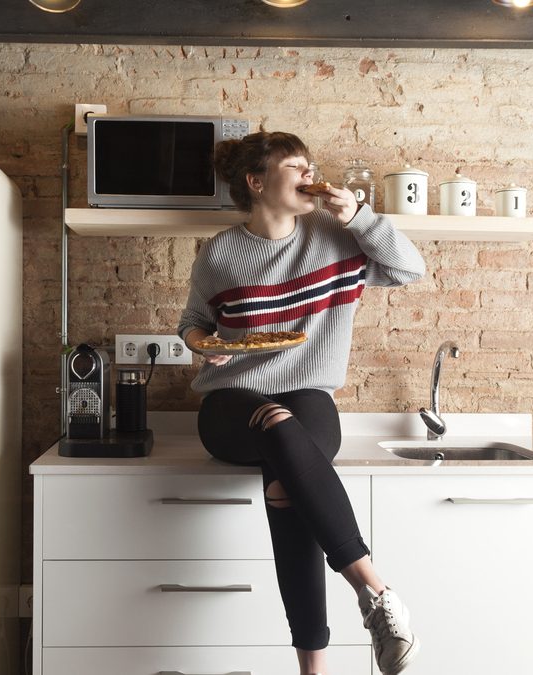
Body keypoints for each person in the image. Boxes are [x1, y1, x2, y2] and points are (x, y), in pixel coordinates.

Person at [177, 130, 426, 675]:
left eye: (310, 164)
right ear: (257, 181)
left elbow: (410, 269)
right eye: (296, 165)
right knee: (274, 424)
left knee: (286, 481)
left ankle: (314, 668)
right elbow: (193, 322)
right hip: (232, 401)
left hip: (308, 395)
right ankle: (376, 592)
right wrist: (203, 345)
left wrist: (359, 216)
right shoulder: (219, 253)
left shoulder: (335, 237)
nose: (311, 173)